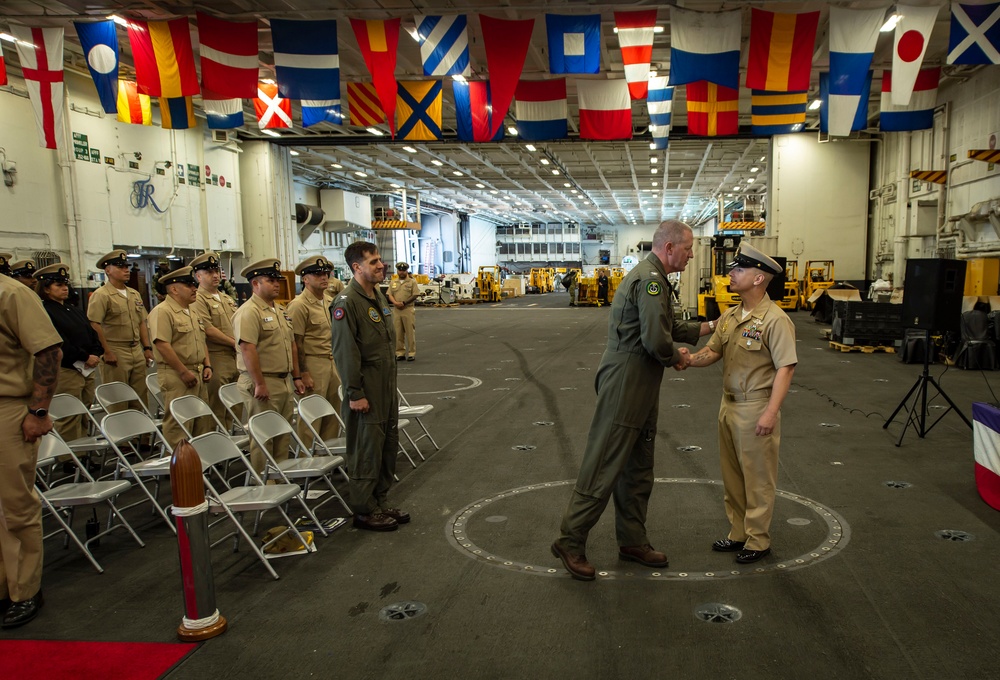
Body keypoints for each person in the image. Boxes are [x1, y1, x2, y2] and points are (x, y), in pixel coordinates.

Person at [552, 220, 712, 581]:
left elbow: (665, 326)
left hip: (641, 380)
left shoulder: (653, 278)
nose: (690, 256)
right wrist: (677, 357)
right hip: (628, 380)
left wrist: (711, 327)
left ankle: (632, 540)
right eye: (687, 249)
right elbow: (657, 340)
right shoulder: (651, 280)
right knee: (605, 461)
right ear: (669, 247)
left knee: (638, 465)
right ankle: (570, 540)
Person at [682, 242, 798, 564]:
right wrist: (688, 360)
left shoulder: (775, 320)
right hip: (728, 405)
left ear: (759, 279)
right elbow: (713, 351)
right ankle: (738, 533)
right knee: (732, 475)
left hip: (755, 407)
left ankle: (758, 540)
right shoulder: (731, 315)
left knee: (758, 478)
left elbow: (786, 367)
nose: (731, 274)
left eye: (739, 269)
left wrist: (771, 413)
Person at [0, 269, 62, 628]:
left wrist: (39, 410)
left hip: (8, 407)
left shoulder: (12, 294)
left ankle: (24, 590)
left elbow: (49, 351)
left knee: (14, 504)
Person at [331, 241, 407, 532]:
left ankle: (380, 501)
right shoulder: (346, 303)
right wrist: (355, 393)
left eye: (380, 260)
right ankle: (364, 510)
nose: (381, 265)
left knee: (387, 445)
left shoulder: (378, 296)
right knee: (366, 449)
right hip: (366, 390)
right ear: (357, 267)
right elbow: (345, 352)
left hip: (386, 386)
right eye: (374, 261)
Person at [232, 258, 305, 473]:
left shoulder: (279, 310)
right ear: (255, 283)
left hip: (282, 381)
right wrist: (259, 383)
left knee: (282, 434)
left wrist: (297, 376)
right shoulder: (249, 312)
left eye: (277, 280)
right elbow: (248, 349)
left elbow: (291, 345)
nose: (276, 284)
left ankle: (280, 476)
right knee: (264, 436)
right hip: (263, 382)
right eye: (270, 280)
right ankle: (264, 480)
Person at [35, 263, 103, 444]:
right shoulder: (45, 311)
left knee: (84, 411)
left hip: (87, 367)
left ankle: (82, 450)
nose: (65, 288)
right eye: (58, 285)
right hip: (68, 368)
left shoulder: (73, 309)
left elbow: (91, 334)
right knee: (69, 415)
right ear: (46, 289)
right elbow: (60, 342)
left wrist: (95, 353)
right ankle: (69, 457)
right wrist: (84, 357)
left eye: (65, 284)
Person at [147, 266, 212, 447]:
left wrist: (207, 364)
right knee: (180, 423)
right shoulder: (163, 311)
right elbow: (162, 344)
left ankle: (200, 465)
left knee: (201, 422)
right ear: (174, 289)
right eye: (189, 285)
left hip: (197, 372)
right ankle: (180, 468)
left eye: (194, 285)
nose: (194, 289)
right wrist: (183, 372)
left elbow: (201, 340)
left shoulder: (191, 311)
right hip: (177, 375)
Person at [287, 255, 342, 447]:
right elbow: (296, 342)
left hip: (331, 361)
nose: (324, 277)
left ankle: (328, 455)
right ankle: (307, 456)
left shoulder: (328, 301)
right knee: (312, 415)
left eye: (326, 274)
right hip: (313, 363)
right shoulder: (299, 305)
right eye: (318, 274)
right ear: (305, 279)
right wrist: (302, 373)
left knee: (333, 412)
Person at [87, 250, 153, 411]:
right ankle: (121, 435)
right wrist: (106, 351)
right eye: (120, 267)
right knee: (118, 400)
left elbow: (141, 322)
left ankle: (141, 436)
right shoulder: (101, 295)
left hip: (135, 349)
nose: (126, 270)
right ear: (107, 270)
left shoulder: (134, 294)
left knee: (139, 398)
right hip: (115, 349)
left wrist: (147, 348)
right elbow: (94, 324)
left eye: (126, 266)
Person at [190, 252, 239, 429]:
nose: (216, 275)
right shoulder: (198, 299)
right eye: (209, 272)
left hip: (235, 357)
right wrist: (235, 343)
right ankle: (216, 447)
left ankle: (232, 443)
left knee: (235, 405)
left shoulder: (226, 298)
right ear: (198, 276)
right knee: (217, 406)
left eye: (216, 270)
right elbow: (208, 330)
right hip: (216, 357)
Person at [387, 262, 420, 361]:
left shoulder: (412, 282)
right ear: (397, 271)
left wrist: (404, 303)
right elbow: (389, 294)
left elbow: (415, 294)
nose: (401, 272)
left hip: (408, 309)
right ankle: (399, 352)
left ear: (406, 271)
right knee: (398, 332)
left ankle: (411, 352)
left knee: (410, 332)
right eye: (400, 270)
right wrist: (395, 303)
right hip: (397, 310)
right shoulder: (393, 282)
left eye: (403, 270)